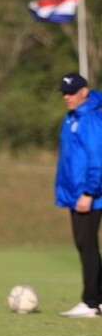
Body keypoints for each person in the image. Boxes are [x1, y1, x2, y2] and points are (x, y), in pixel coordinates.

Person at [55, 72, 102, 318]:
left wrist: (89, 192)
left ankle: (91, 301)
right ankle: (98, 300)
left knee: (87, 245)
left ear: (84, 91)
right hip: (76, 194)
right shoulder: (72, 117)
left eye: (71, 92)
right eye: (63, 92)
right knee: (85, 245)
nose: (66, 97)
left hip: (90, 194)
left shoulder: (91, 118)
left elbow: (98, 159)